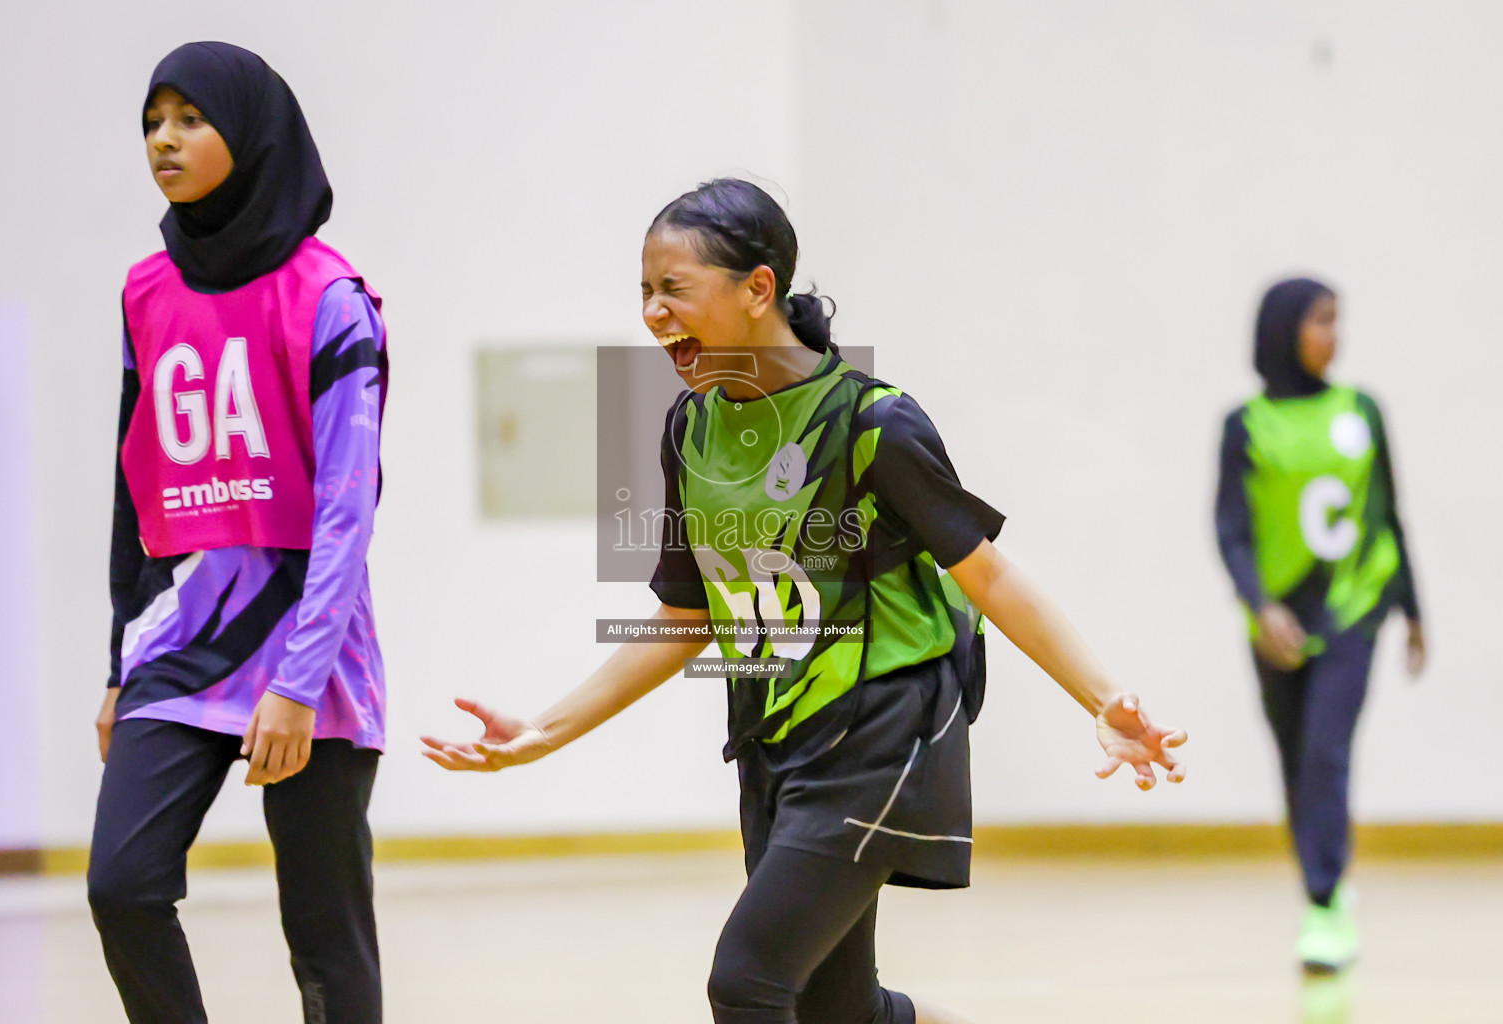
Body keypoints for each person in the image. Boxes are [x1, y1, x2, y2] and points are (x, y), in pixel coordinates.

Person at [423, 178, 1186, 1024]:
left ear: (758, 289)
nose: (652, 312)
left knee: (748, 981)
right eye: (643, 290)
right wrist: (544, 731)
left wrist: (1103, 698)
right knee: (839, 1012)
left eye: (673, 288)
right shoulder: (691, 428)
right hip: (775, 740)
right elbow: (687, 616)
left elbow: (991, 577)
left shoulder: (873, 424)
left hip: (883, 731)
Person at [89, 41, 389, 1024]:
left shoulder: (330, 298)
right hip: (179, 637)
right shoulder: (146, 292)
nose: (163, 142)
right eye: (151, 122)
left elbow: (348, 509)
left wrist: (298, 687)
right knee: (122, 884)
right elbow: (134, 487)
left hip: (312, 648)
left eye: (189, 119)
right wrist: (116, 661)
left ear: (250, 134)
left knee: (325, 942)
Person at [1214, 277, 1424, 973]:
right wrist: (1260, 606)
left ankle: (1326, 902)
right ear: (1283, 331)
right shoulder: (1245, 426)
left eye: (1338, 320)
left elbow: (1387, 511)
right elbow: (1231, 531)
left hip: (1356, 611)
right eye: (1321, 320)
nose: (1334, 334)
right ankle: (1324, 888)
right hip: (1277, 626)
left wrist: (1414, 609)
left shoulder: (1361, 409)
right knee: (1296, 763)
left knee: (1327, 754)